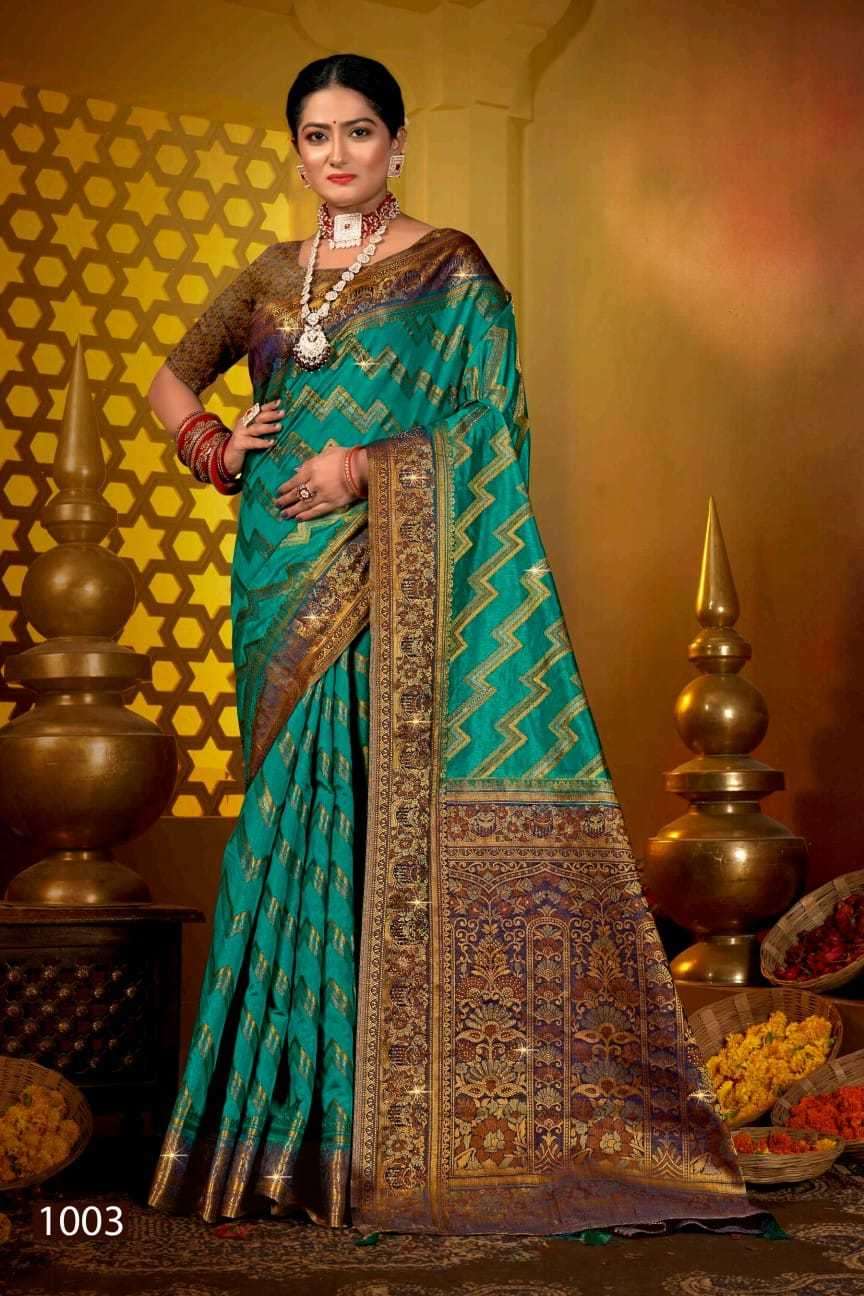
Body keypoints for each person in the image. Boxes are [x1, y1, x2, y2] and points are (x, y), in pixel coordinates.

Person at [147, 53, 758, 1236]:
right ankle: (278, 1136)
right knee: (288, 829)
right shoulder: (268, 277)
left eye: (358, 131)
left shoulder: (450, 269)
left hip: (393, 572)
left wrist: (363, 467)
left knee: (381, 820)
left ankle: (377, 1133)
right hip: (278, 580)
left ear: (398, 142)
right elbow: (174, 384)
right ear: (296, 150)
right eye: (316, 134)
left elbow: (493, 422)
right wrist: (217, 447)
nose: (337, 153)